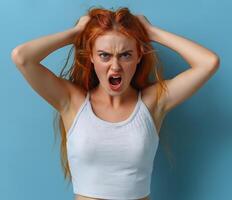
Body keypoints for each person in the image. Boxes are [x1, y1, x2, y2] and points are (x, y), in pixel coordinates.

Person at [11, 6, 220, 200]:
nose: (115, 66)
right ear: (91, 57)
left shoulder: (153, 102)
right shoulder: (71, 101)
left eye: (126, 55)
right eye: (104, 55)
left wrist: (150, 32)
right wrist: (77, 33)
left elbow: (208, 63)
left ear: (139, 56)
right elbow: (22, 57)